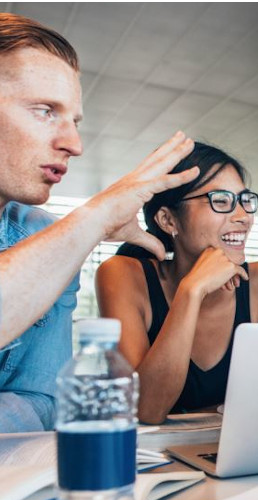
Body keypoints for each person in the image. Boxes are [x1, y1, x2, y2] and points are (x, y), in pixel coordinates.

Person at [0, 13, 197, 432]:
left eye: (74, 121)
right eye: (45, 111)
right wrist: (97, 217)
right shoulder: (67, 239)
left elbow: (44, 400)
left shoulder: (42, 234)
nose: (74, 144)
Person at [95, 143, 258, 424]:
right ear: (168, 220)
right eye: (220, 200)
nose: (243, 217)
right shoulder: (123, 275)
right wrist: (192, 291)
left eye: (244, 200)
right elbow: (145, 410)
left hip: (235, 446)